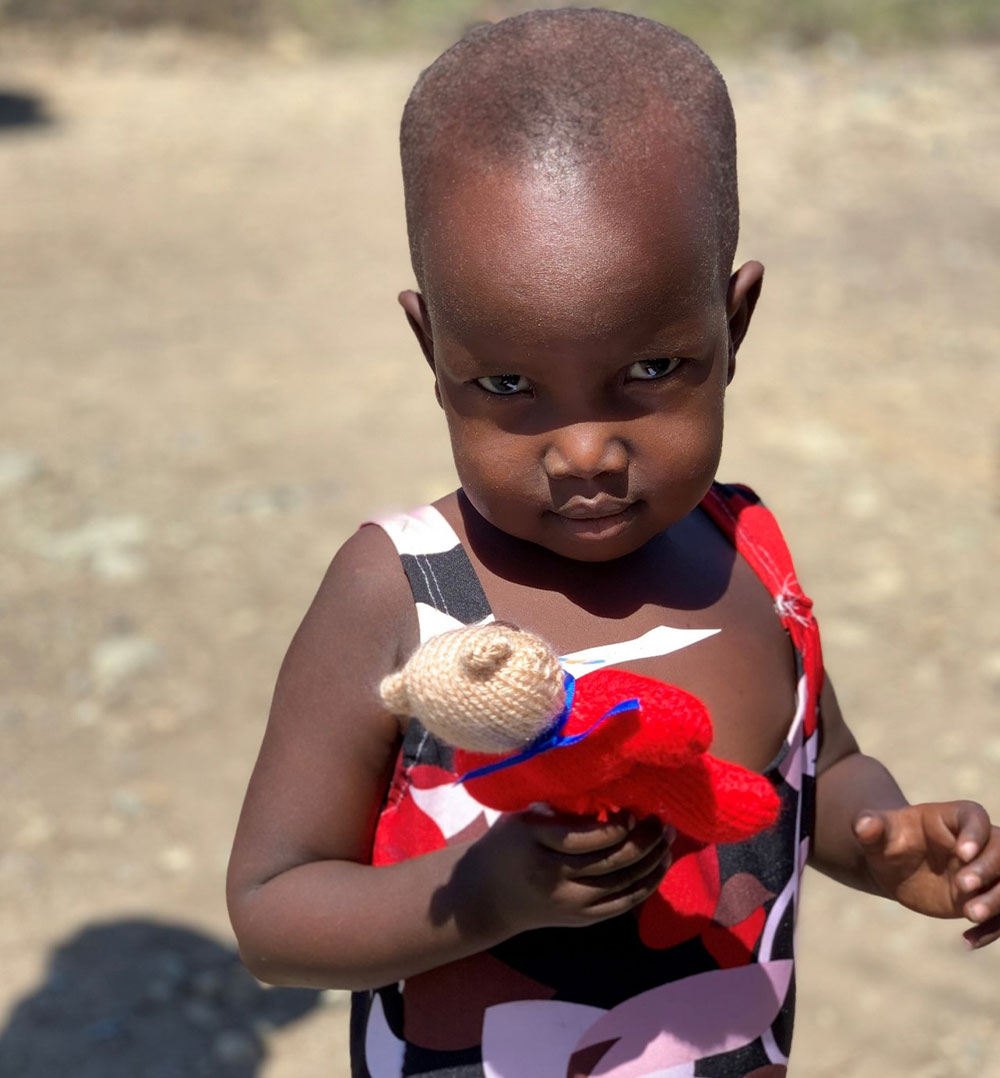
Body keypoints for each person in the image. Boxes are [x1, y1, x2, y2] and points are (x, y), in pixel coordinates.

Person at [227, 10, 1000, 1076]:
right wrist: (481, 898)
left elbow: (816, 774)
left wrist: (893, 842)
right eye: (507, 385)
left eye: (648, 372)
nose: (584, 450)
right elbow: (273, 912)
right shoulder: (401, 590)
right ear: (430, 348)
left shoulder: (749, 557)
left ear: (733, 328)